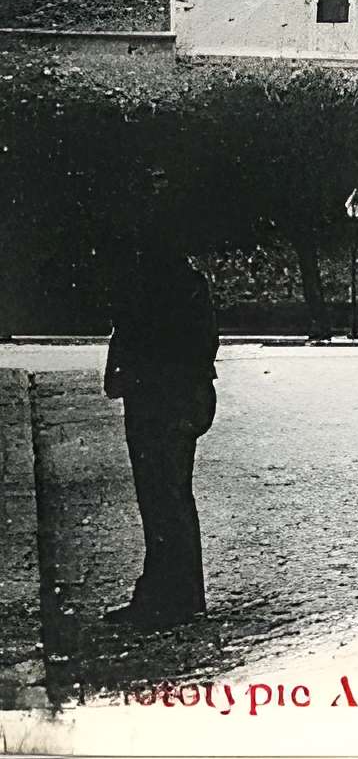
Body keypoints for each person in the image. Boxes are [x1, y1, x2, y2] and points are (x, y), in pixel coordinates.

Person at [102, 234, 219, 630]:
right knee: (170, 497)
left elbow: (135, 341)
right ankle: (177, 594)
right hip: (180, 400)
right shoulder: (188, 286)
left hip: (158, 403)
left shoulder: (151, 289)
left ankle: (169, 596)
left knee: (161, 499)